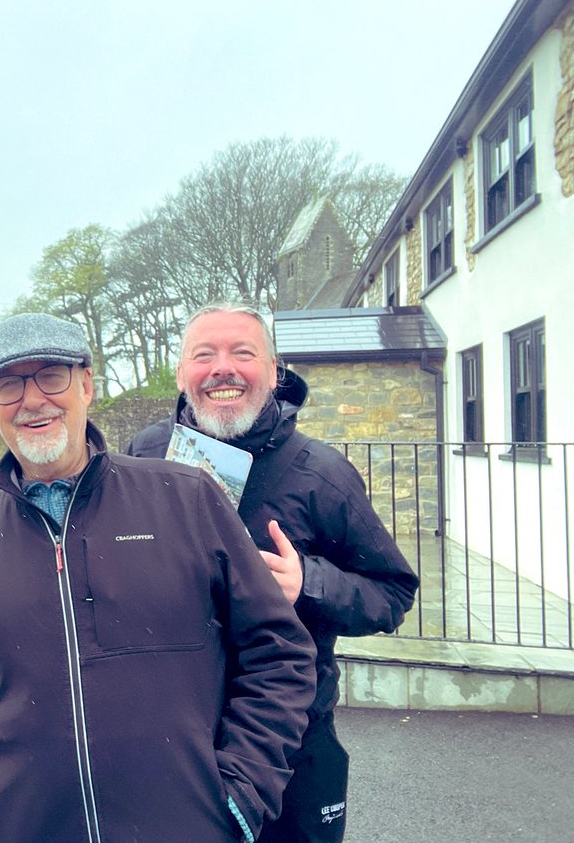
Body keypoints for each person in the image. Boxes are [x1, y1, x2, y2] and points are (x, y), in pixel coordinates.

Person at [0, 312, 317, 843]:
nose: (33, 400)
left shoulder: (187, 498)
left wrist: (241, 794)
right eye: (8, 385)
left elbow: (278, 654)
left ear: (87, 385)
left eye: (52, 376)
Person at [127, 303, 420, 843]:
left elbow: (394, 591)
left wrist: (305, 582)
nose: (223, 368)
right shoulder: (146, 456)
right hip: (173, 737)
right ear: (181, 372)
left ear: (274, 370)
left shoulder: (321, 474)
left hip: (291, 744)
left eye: (244, 353)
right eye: (204, 354)